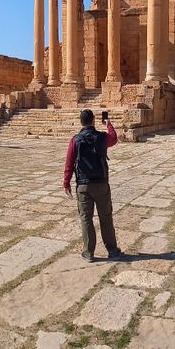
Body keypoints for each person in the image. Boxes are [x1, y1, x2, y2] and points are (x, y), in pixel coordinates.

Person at [63, 109, 124, 261]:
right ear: (93, 121)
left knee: (86, 219)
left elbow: (69, 164)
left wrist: (66, 183)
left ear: (80, 122)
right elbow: (114, 138)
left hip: (83, 186)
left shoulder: (75, 140)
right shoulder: (102, 137)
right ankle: (113, 251)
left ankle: (89, 252)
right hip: (101, 184)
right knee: (106, 217)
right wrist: (108, 125)